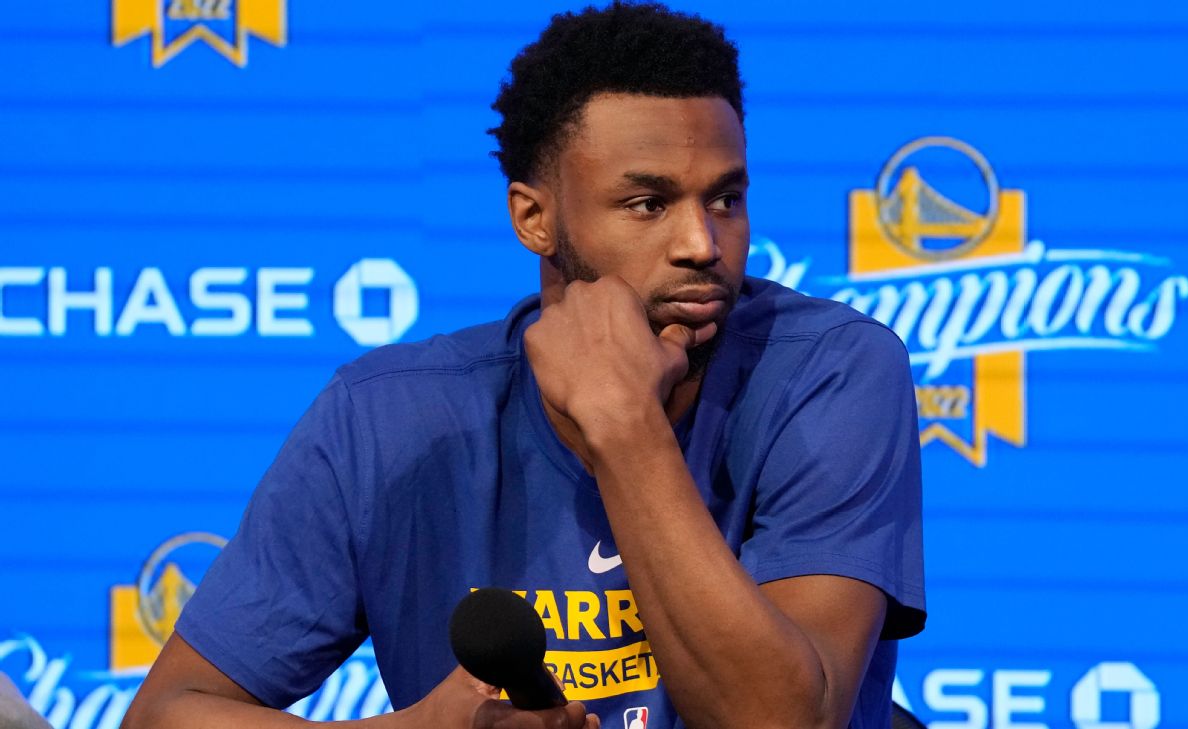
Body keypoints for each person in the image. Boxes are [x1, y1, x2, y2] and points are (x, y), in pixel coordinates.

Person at [122, 3, 925, 728]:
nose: (701, 243)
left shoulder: (834, 372)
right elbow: (166, 713)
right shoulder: (387, 417)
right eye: (648, 204)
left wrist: (623, 422)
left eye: (725, 199)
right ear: (534, 218)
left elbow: (781, 719)